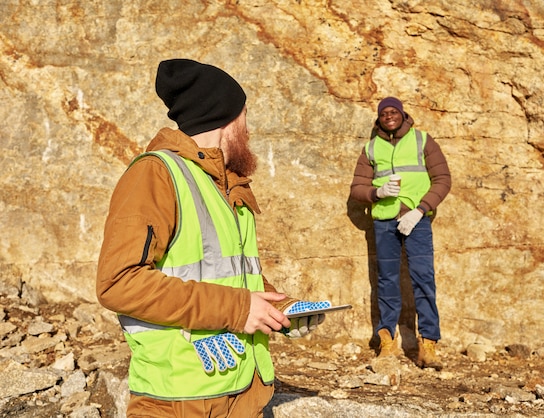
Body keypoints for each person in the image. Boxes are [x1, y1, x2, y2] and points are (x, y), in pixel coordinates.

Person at [96, 58, 328, 417]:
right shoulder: (156, 175)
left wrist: (279, 309)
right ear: (226, 117)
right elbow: (119, 282)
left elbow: (229, 274)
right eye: (244, 117)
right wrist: (237, 309)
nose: (248, 129)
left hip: (240, 393)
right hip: (179, 399)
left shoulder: (225, 185)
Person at [349, 97, 451, 370]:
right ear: (379, 118)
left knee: (424, 280)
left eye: (394, 112)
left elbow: (443, 179)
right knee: (387, 283)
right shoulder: (371, 148)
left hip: (417, 220)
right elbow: (357, 189)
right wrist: (376, 193)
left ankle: (428, 345)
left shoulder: (422, 140)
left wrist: (421, 210)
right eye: (384, 113)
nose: (389, 116)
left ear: (403, 114)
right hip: (384, 223)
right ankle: (387, 342)